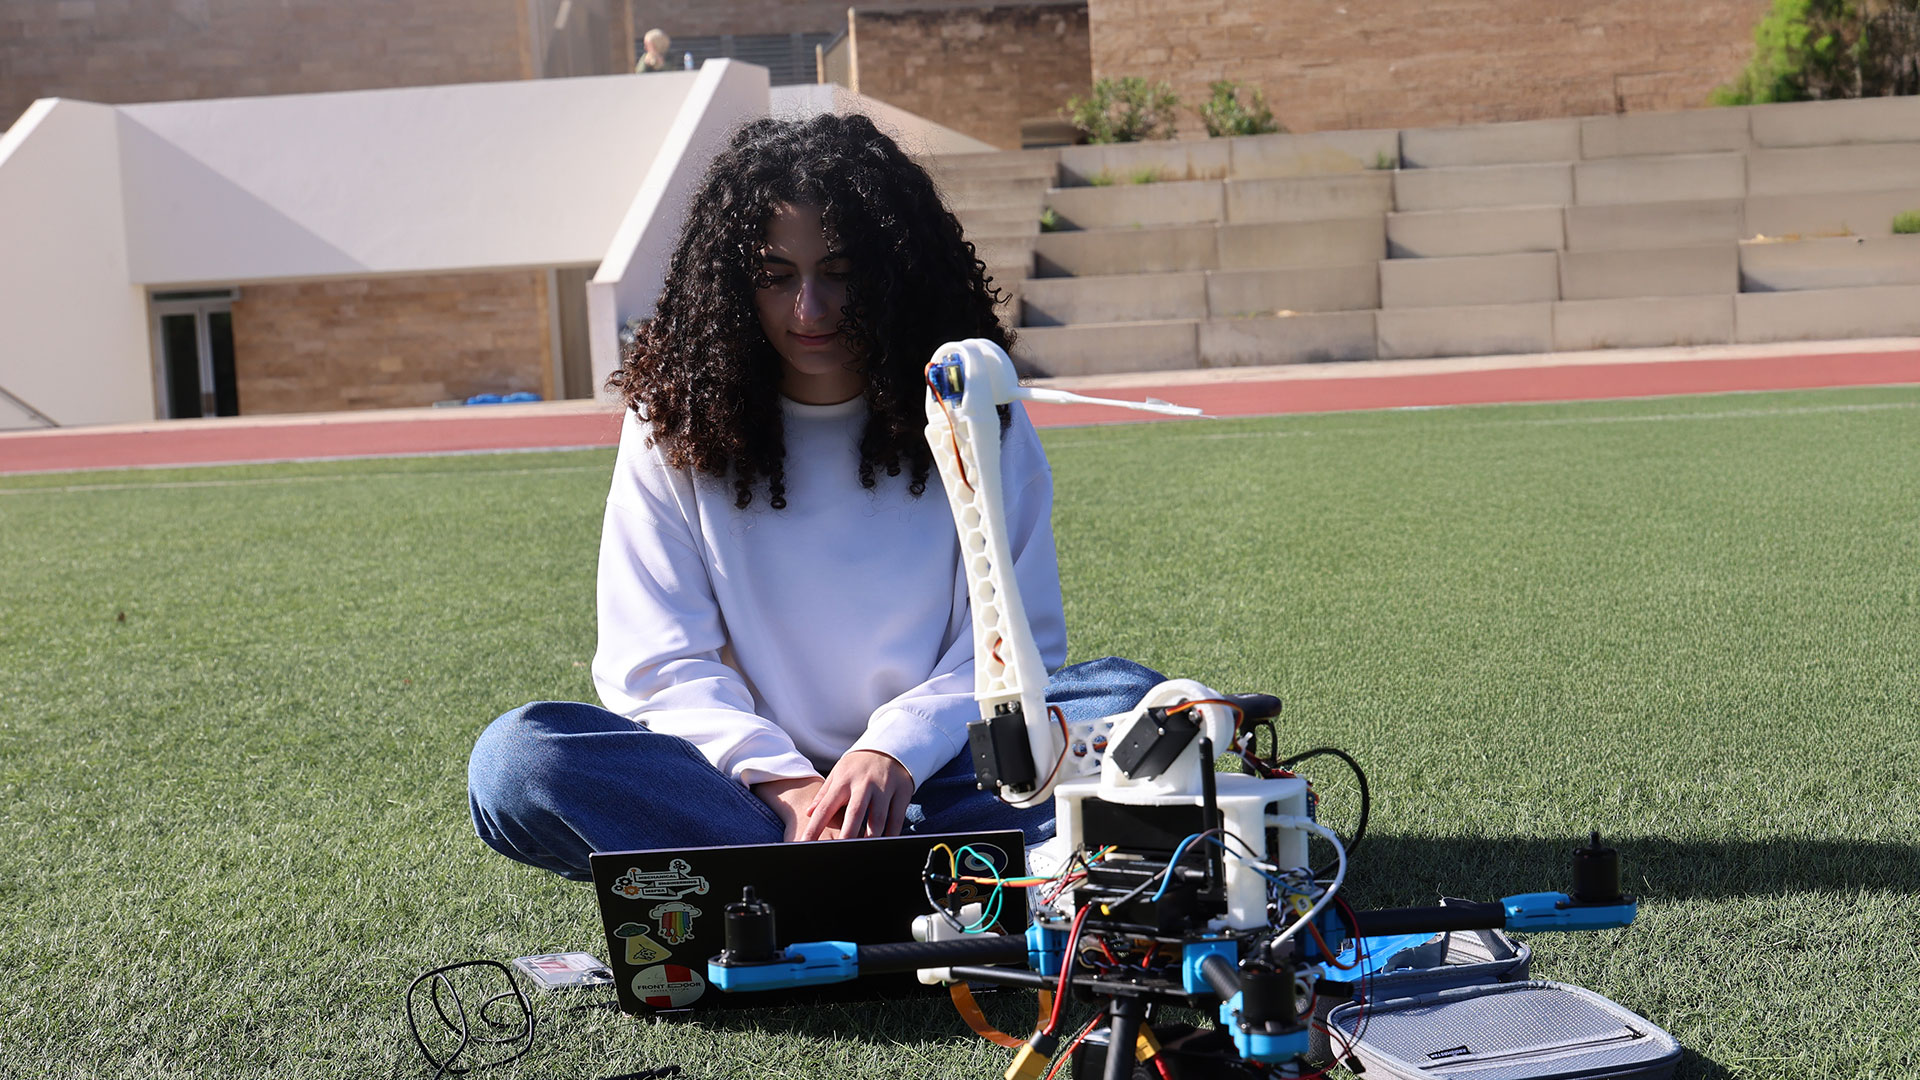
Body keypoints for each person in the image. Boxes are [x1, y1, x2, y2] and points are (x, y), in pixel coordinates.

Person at [467, 114, 1161, 881]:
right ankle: (905, 868)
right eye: (776, 277)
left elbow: (1013, 645)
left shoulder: (973, 407)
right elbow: (657, 665)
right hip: (749, 795)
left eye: (840, 271)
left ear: (895, 270)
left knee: (1140, 705)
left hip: (943, 773)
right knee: (518, 761)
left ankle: (802, 877)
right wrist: (790, 786)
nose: (811, 310)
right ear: (733, 283)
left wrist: (893, 751)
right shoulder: (671, 423)